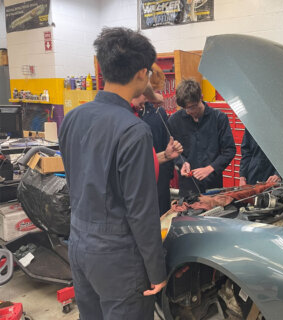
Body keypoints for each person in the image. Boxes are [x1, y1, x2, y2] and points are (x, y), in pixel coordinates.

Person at [59, 27, 167, 319]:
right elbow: (141, 212)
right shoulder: (134, 131)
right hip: (118, 258)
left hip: (79, 244)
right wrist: (157, 271)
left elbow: (73, 181)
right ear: (142, 74)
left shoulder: (72, 118)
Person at [168, 79, 235, 197]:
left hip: (213, 186)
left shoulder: (219, 118)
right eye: (185, 108)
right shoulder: (174, 121)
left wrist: (210, 168)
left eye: (193, 107)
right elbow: (173, 151)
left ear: (201, 97)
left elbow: (229, 150)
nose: (189, 112)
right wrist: (182, 163)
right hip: (188, 187)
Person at [131, 94, 183, 215]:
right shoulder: (126, 119)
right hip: (136, 187)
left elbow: (144, 159)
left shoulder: (158, 113)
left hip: (159, 178)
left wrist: (166, 156)